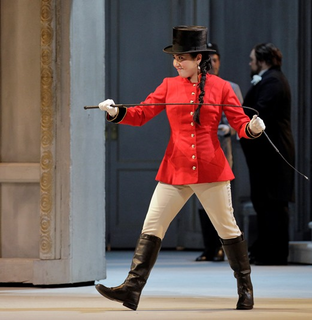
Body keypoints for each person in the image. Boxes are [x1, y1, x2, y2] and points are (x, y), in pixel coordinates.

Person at [95, 26, 266, 311]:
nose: (177, 63)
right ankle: (131, 289)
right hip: (175, 168)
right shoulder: (168, 85)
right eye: (174, 57)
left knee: (227, 229)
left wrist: (253, 128)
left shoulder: (222, 87)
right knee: (153, 226)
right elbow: (142, 113)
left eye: (182, 58)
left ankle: (245, 288)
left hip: (211, 170)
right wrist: (115, 112)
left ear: (199, 58)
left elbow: (239, 125)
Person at [239, 43, 295, 266]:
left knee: (272, 203)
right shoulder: (271, 78)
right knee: (264, 202)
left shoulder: (273, 81)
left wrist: (239, 117)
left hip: (273, 154)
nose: (250, 62)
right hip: (266, 155)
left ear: (263, 60)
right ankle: (265, 249)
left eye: (253, 59)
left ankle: (274, 253)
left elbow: (259, 112)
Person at [194, 42, 244, 262]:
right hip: (199, 149)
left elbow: (239, 118)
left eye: (214, 60)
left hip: (222, 148)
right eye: (208, 61)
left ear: (219, 62)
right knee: (201, 201)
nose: (211, 64)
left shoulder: (230, 86)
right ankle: (209, 247)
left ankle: (223, 248)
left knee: (222, 202)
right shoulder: (195, 85)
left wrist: (229, 129)